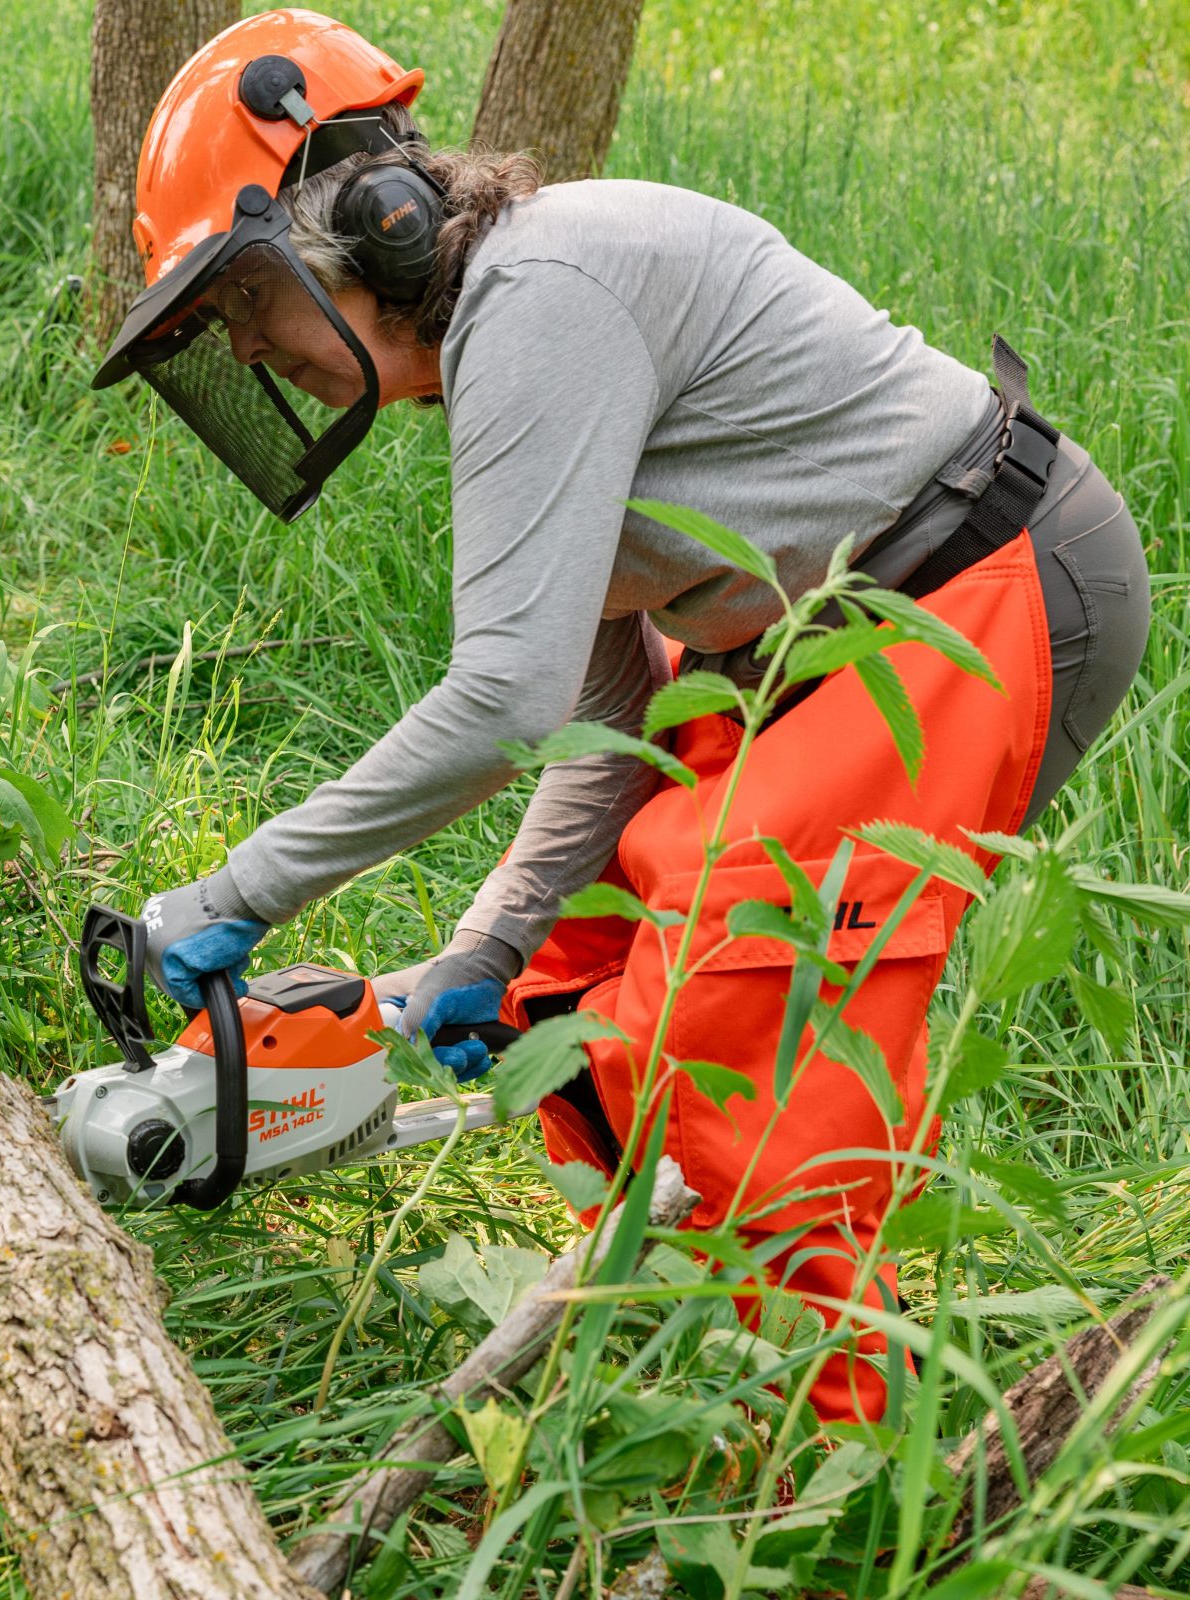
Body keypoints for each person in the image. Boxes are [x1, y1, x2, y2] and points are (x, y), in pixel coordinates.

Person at [96, 8, 1150, 1422]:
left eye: (245, 306)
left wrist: (238, 891)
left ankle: (838, 1487)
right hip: (814, 645)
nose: (255, 350)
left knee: (732, 1019)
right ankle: (672, 1357)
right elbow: (607, 723)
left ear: (366, 220)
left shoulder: (544, 302)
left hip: (981, 589)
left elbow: (503, 698)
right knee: (576, 978)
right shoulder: (512, 338)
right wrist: (494, 939)